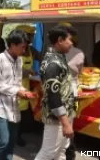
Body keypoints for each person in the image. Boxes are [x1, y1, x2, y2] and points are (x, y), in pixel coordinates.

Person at [0, 29, 37, 160]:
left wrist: (25, 92)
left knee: (11, 142)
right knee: (2, 141)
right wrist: (18, 91)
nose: (24, 50)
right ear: (13, 45)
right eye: (22, 47)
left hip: (14, 106)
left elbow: (17, 82)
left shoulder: (19, 61)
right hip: (0, 107)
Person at [34, 24, 77, 160]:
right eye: (69, 40)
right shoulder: (53, 63)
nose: (72, 43)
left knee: (61, 151)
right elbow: (54, 97)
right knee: (48, 153)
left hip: (64, 114)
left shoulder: (60, 57)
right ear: (60, 40)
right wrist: (65, 123)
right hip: (56, 118)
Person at [59, 22, 85, 160]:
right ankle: (68, 152)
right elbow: (80, 73)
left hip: (64, 92)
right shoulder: (79, 53)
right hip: (71, 90)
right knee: (68, 124)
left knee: (62, 126)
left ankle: (66, 152)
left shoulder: (53, 53)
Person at [15, 25, 42, 147]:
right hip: (15, 86)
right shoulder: (15, 50)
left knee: (25, 111)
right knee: (17, 113)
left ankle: (23, 130)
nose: (32, 38)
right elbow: (12, 70)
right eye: (31, 35)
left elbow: (41, 57)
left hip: (25, 85)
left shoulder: (31, 50)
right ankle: (16, 136)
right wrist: (29, 71)